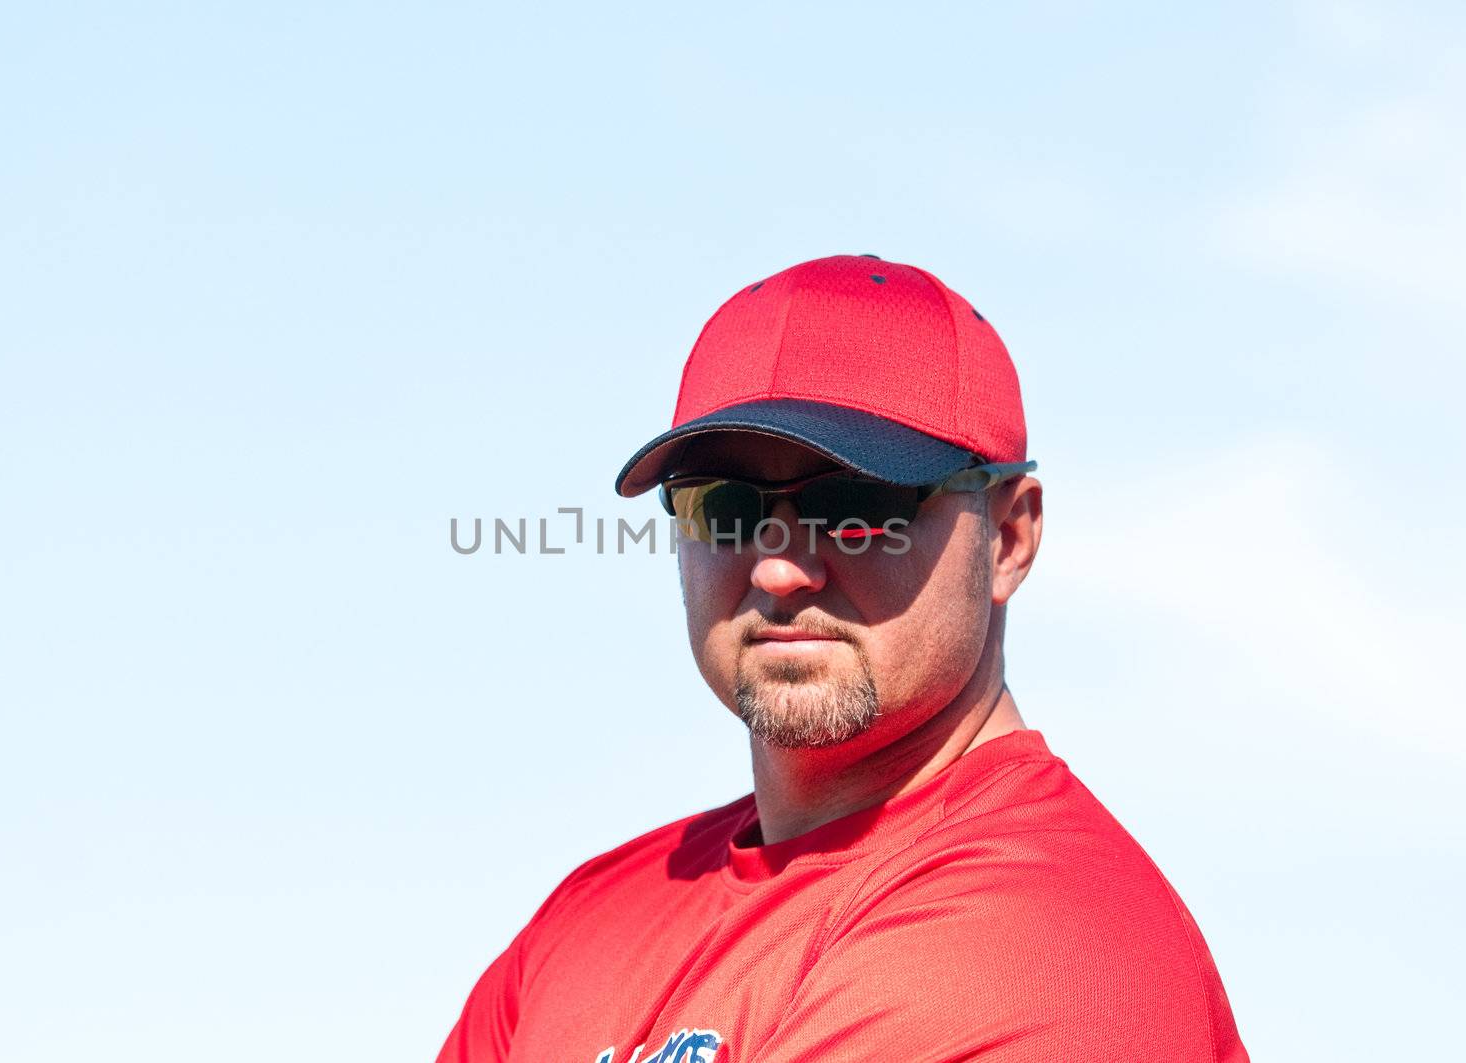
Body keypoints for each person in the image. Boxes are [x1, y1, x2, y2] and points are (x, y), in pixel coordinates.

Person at [437, 255, 1248, 1062]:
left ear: (1008, 537)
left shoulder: (1055, 944)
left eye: (857, 505)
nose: (781, 566)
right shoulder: (583, 927)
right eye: (723, 506)